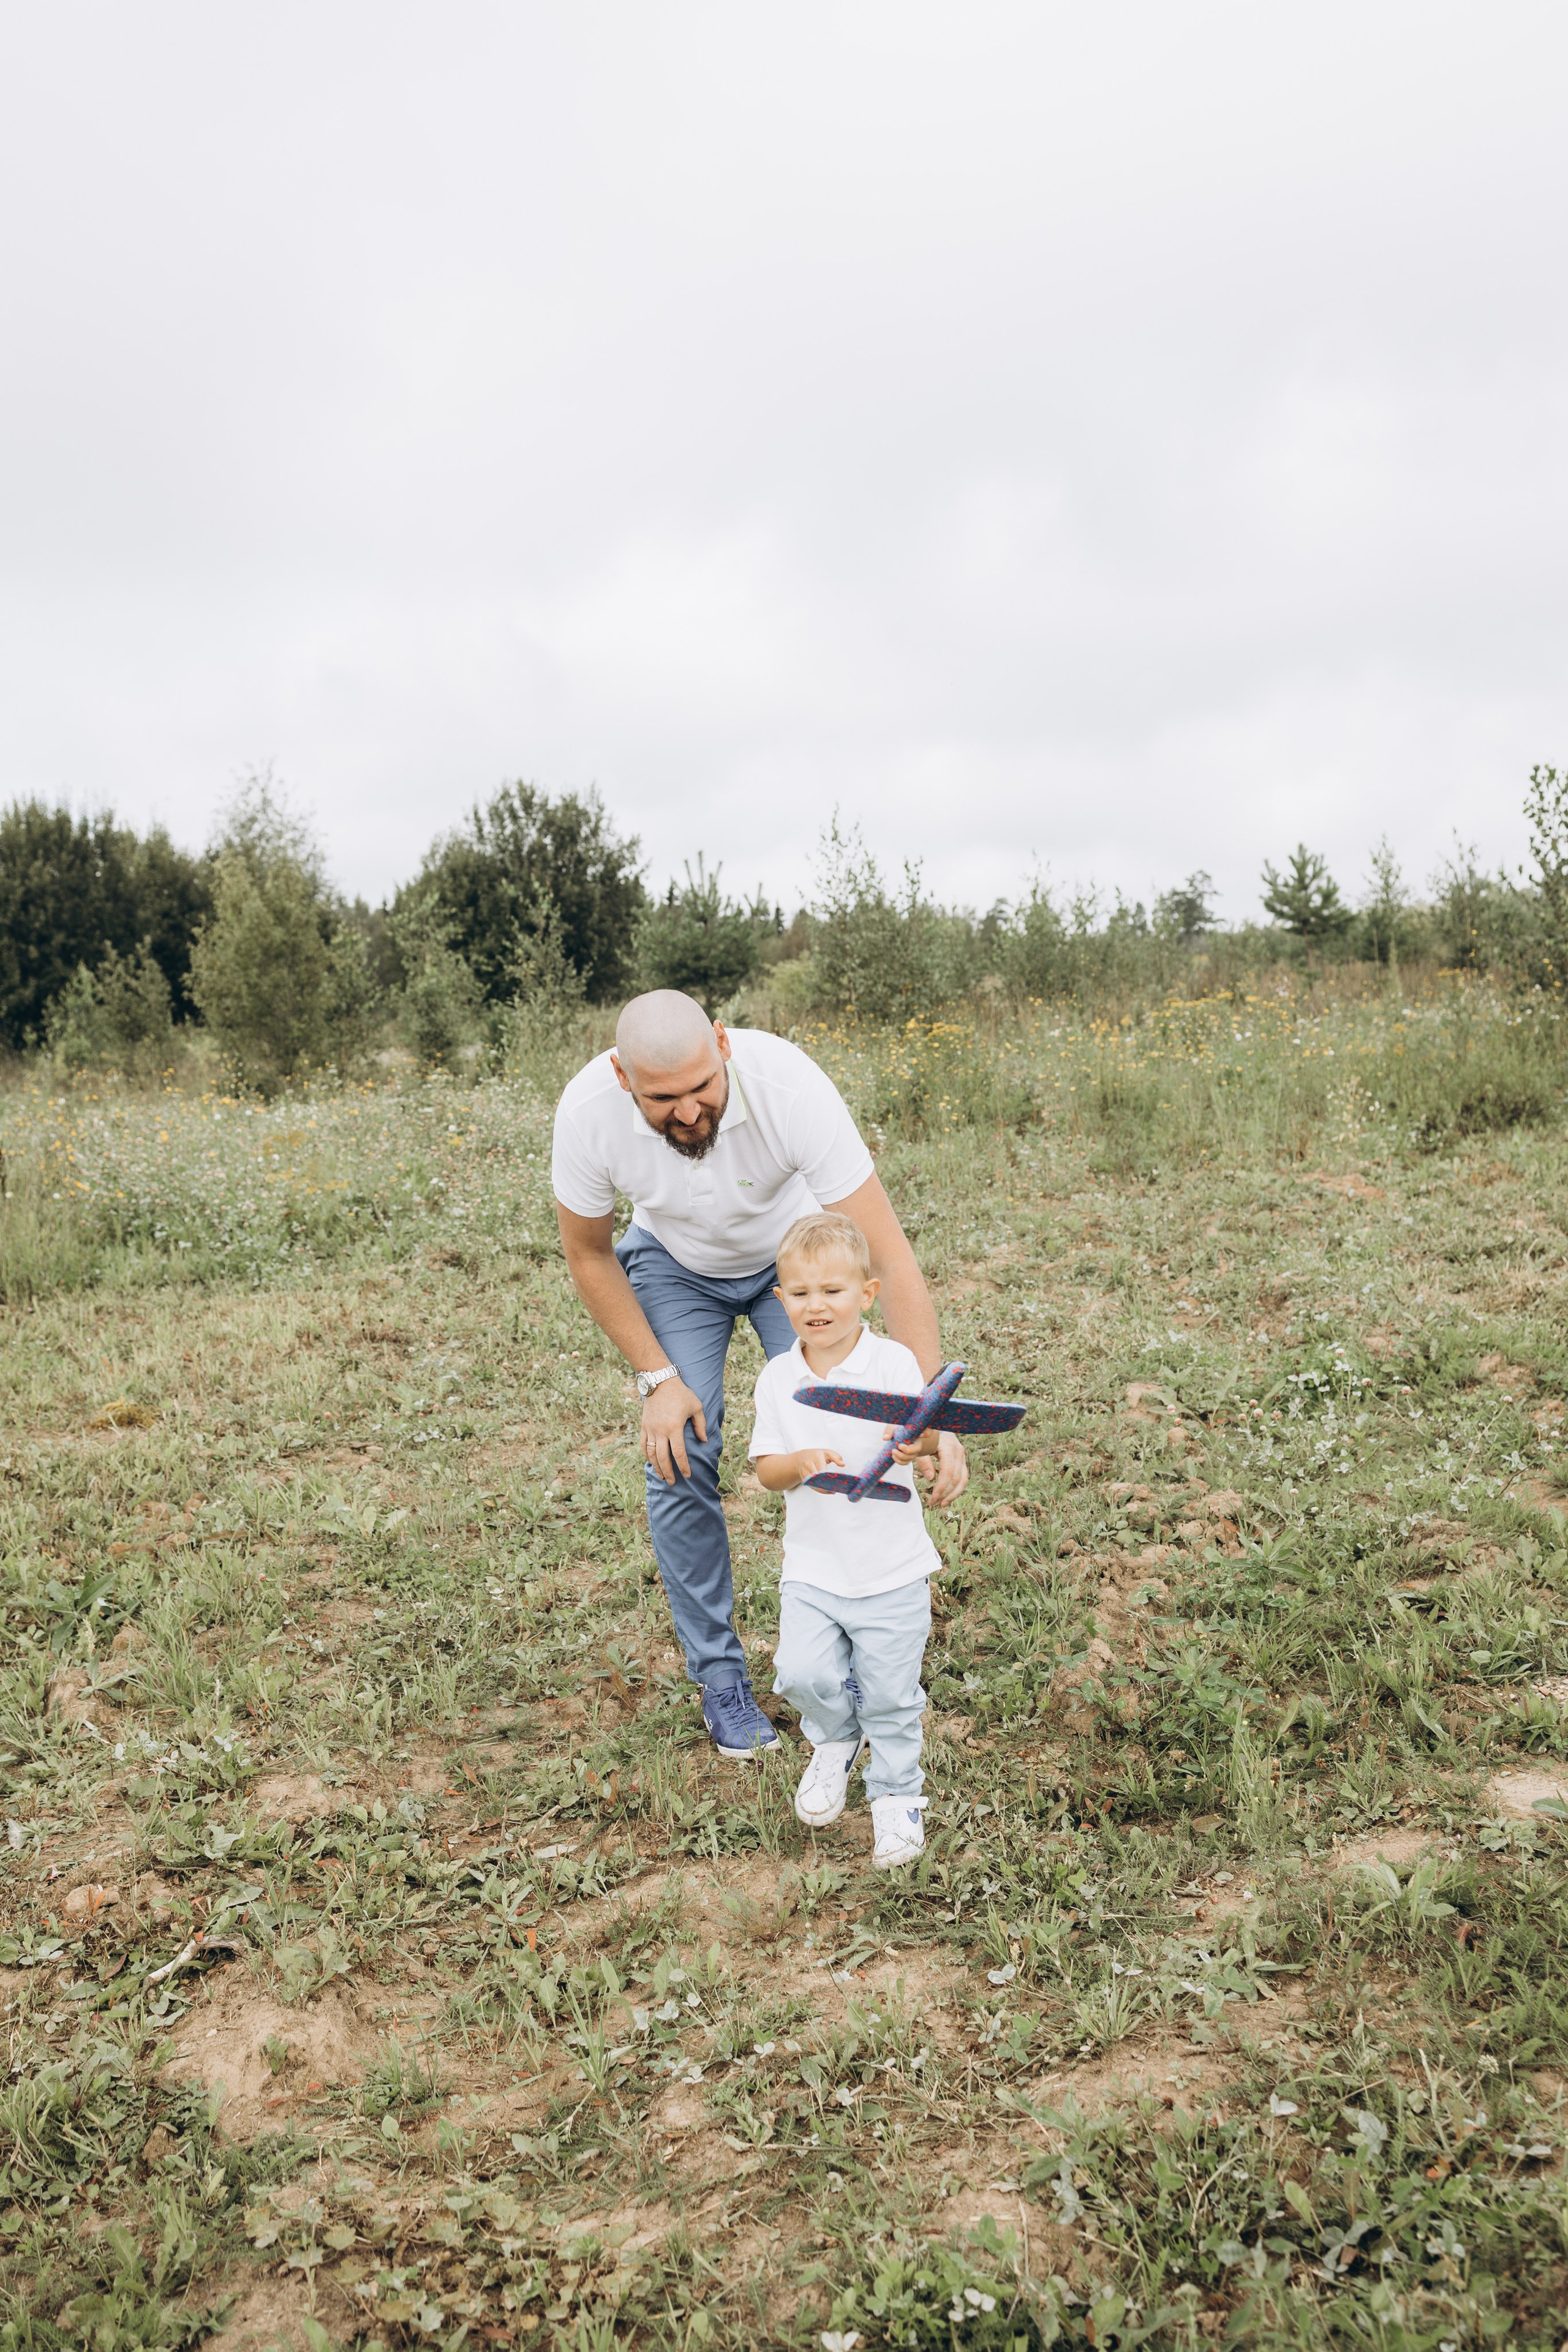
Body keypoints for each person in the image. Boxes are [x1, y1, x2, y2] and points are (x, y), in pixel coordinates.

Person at [552, 989, 967, 1760]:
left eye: (700, 1088)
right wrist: (656, 1379)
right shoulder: (584, 1114)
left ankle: (853, 1651)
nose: (685, 1113)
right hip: (674, 1267)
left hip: (797, 1263)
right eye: (661, 1098)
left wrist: (926, 1407)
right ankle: (721, 1680)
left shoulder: (789, 1085)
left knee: (849, 1423)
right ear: (620, 1076)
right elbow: (589, 1252)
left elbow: (890, 1257)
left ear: (722, 1045)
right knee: (682, 1448)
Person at [750, 1211, 941, 1868]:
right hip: (814, 1566)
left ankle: (896, 1798)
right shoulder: (779, 1378)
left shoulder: (893, 1362)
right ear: (780, 1301)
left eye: (832, 1291)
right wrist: (798, 1463)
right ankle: (834, 1739)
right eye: (800, 1294)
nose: (816, 1306)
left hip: (890, 1568)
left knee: (890, 1694)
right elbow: (766, 1470)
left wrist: (920, 1443)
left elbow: (927, 1435)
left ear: (866, 1293)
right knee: (800, 1672)